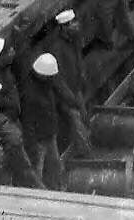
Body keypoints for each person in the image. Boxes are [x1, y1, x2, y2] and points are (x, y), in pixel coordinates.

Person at [44, 9, 91, 160]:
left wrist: (82, 77)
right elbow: (57, 79)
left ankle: (86, 148)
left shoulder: (74, 39)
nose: (77, 25)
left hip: (76, 89)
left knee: (83, 118)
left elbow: (78, 60)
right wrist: (70, 98)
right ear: (64, 27)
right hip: (65, 95)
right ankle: (86, 156)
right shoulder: (56, 48)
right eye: (72, 23)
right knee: (77, 122)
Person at [19, 53, 63, 189]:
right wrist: (32, 146)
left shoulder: (46, 85)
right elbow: (27, 123)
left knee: (54, 166)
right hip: (38, 140)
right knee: (37, 171)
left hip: (49, 134)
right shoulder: (29, 94)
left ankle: (55, 189)